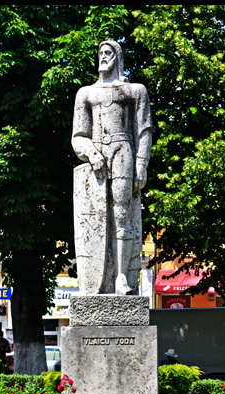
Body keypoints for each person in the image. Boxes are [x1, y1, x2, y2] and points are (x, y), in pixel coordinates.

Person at [72, 40, 152, 295]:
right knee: (96, 219)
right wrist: (90, 153)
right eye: (100, 53)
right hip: (97, 156)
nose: (103, 57)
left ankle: (120, 278)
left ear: (117, 57)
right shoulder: (85, 93)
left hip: (122, 152)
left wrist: (141, 164)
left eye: (108, 53)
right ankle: (99, 279)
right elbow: (78, 136)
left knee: (121, 215)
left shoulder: (134, 91)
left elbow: (144, 130)